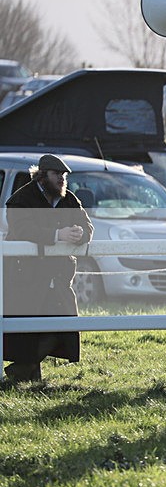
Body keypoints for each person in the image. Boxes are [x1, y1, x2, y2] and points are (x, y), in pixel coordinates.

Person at [3, 154, 94, 381]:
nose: (62, 180)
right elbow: (22, 230)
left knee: (62, 327)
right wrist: (57, 235)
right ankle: (28, 376)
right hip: (27, 277)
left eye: (64, 176)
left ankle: (22, 370)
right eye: (57, 175)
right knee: (30, 331)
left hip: (59, 277)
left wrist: (80, 234)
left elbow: (87, 226)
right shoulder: (20, 199)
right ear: (42, 176)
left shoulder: (69, 199)